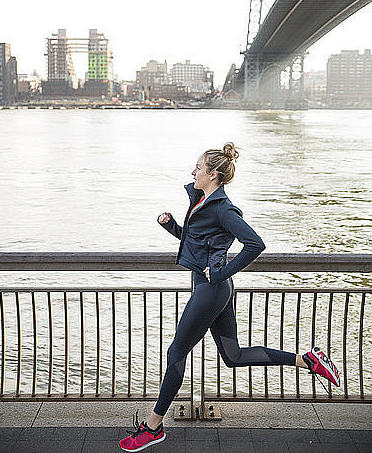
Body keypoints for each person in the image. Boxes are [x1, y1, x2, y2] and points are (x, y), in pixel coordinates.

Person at [119, 143, 340, 452]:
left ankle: (152, 428)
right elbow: (197, 242)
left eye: (197, 168)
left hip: (212, 290)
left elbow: (255, 243)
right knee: (233, 356)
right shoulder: (202, 201)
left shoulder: (223, 208)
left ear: (213, 174)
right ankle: (308, 361)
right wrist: (172, 227)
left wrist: (221, 274)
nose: (192, 172)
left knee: (175, 355)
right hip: (212, 287)